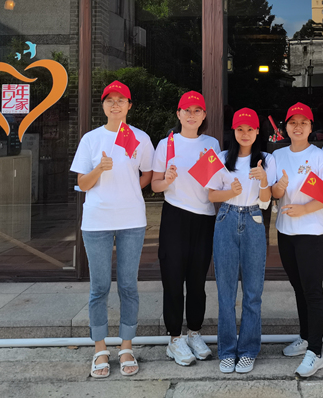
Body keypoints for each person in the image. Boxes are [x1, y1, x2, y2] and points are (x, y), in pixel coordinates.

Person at [70, 80, 154, 378]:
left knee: (128, 285)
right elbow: (82, 184)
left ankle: (127, 346)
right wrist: (99, 169)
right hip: (97, 221)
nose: (115, 104)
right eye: (110, 100)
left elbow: (147, 174)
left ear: (129, 106)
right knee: (100, 286)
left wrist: (129, 191)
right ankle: (100, 348)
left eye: (121, 100)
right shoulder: (91, 139)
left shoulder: (140, 138)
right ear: (103, 105)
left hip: (132, 220)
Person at [151, 91, 221, 366]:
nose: (191, 115)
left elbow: (218, 182)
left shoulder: (212, 144)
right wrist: (167, 180)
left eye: (197, 110)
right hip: (175, 216)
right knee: (172, 279)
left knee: (197, 281)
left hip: (204, 217)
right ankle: (174, 339)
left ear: (204, 115)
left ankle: (194, 333)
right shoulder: (167, 144)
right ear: (178, 114)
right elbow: (155, 185)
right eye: (186, 110)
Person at [272, 102, 323, 378]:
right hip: (285, 231)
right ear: (285, 127)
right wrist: (278, 188)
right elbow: (274, 193)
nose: (298, 127)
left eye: (303, 122)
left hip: (311, 231)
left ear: (311, 127)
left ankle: (316, 352)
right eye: (293, 122)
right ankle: (305, 337)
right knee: (298, 288)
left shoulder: (319, 156)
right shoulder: (277, 155)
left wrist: (304, 209)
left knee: (312, 290)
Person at [207, 108, 276, 374]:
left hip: (254, 219)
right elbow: (211, 195)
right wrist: (229, 192)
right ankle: (227, 350)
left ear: (258, 131)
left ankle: (247, 350)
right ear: (233, 132)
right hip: (226, 219)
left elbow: (266, 202)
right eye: (240, 129)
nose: (245, 134)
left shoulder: (267, 160)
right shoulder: (222, 158)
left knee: (253, 292)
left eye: (250, 129)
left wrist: (264, 181)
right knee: (226, 292)